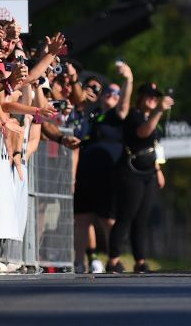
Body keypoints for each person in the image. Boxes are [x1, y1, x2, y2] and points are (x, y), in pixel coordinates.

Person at [73, 62, 134, 273]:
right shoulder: (92, 115)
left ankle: (114, 260)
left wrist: (128, 80)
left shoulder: (118, 117)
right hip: (85, 174)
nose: (112, 95)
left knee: (108, 219)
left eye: (116, 93)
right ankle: (79, 263)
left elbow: (125, 105)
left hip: (108, 175)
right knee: (82, 218)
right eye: (109, 91)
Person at [107, 82, 172, 274]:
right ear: (141, 97)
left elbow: (154, 144)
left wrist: (158, 169)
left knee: (142, 219)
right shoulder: (134, 116)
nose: (153, 99)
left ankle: (140, 260)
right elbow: (143, 133)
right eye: (149, 96)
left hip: (149, 171)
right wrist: (158, 111)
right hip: (131, 171)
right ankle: (113, 260)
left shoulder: (151, 117)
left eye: (155, 97)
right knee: (126, 216)